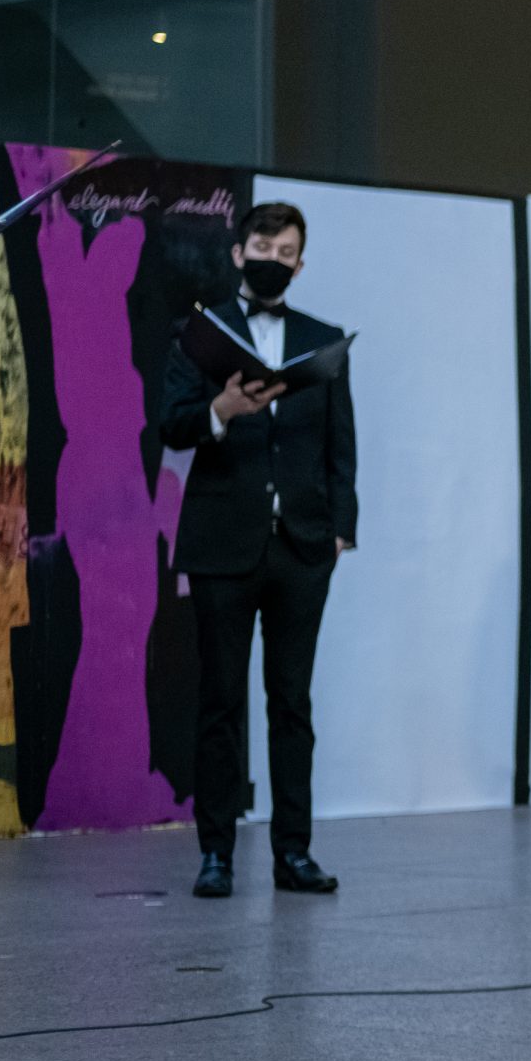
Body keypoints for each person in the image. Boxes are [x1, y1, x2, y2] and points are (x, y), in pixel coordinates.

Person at [161, 202, 356, 900]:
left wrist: (341, 527)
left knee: (292, 702)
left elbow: (341, 444)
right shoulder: (201, 331)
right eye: (264, 247)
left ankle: (293, 852)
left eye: (287, 251)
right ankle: (216, 853)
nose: (275, 258)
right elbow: (172, 425)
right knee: (220, 700)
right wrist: (222, 410)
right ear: (239, 253)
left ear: (300, 264)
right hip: (222, 541)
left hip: (303, 545)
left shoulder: (323, 341)